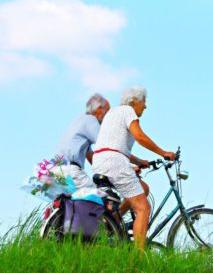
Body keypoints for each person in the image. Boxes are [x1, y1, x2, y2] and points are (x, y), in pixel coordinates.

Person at [92, 86, 176, 250]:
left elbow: (114, 145)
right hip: (114, 162)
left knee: (142, 188)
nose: (145, 106)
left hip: (102, 160)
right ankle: (137, 259)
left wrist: (138, 161)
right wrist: (163, 152)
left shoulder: (113, 113)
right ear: (135, 101)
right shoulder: (128, 111)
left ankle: (114, 221)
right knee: (143, 208)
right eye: (144, 102)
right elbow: (139, 136)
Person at [55, 94, 110, 190]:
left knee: (75, 203)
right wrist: (125, 168)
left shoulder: (79, 120)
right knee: (101, 199)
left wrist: (107, 170)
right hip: (71, 171)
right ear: (99, 109)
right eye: (107, 110)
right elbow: (107, 146)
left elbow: (90, 156)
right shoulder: (91, 120)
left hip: (58, 171)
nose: (108, 115)